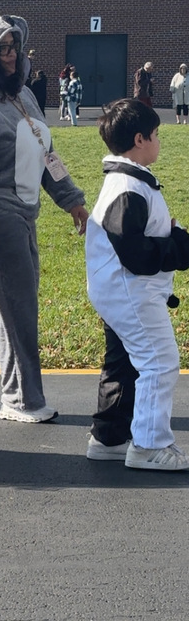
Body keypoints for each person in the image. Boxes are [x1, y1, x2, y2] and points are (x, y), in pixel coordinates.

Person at [0, 12, 88, 422]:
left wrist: (72, 200)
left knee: (12, 303)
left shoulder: (23, 97)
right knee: (19, 305)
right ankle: (21, 399)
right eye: (1, 49)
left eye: (13, 48)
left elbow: (46, 154)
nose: (10, 57)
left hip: (27, 212)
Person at [85, 98, 189, 470]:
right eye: (157, 135)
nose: (160, 141)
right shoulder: (127, 188)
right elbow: (136, 254)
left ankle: (109, 437)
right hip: (128, 289)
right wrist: (177, 245)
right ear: (140, 139)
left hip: (119, 288)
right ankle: (148, 446)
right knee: (160, 362)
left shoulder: (128, 183)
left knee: (124, 362)